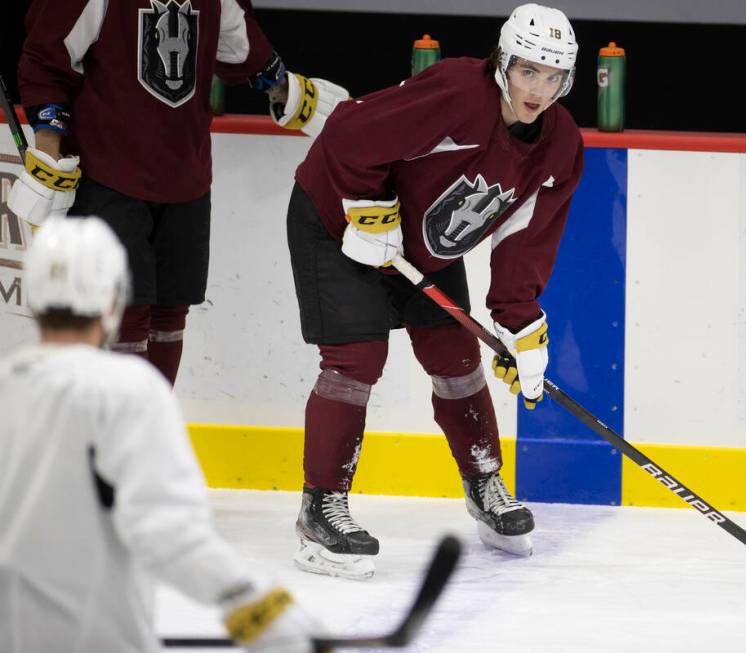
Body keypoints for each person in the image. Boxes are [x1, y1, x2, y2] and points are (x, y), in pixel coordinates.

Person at [285, 3, 584, 579]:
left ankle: (483, 483)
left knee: (456, 358)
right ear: (503, 62)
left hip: (423, 247)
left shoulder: (560, 146)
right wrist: (366, 206)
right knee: (356, 360)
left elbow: (526, 237)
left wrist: (520, 320)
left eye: (552, 77)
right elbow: (347, 129)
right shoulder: (455, 92)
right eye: (528, 71)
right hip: (336, 218)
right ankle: (320, 509)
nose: (538, 89)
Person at [0, 216, 319, 653]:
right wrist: (263, 612)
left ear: (32, 297)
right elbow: (169, 533)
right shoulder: (127, 390)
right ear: (113, 301)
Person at [8, 0, 347, 386]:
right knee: (126, 312)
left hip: (186, 175)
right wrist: (48, 148)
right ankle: (125, 438)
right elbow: (47, 58)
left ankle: (153, 429)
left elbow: (242, 49)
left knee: (171, 312)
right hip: (109, 174)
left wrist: (285, 89)